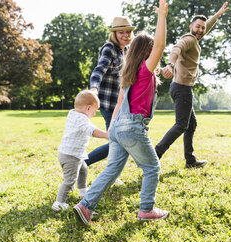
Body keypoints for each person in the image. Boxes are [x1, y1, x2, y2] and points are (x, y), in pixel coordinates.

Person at [73, 0, 169, 224]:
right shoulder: (145, 70)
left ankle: (85, 206)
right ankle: (146, 209)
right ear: (147, 51)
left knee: (112, 169)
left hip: (118, 126)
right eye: (152, 48)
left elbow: (118, 105)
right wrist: (162, 17)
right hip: (133, 126)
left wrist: (114, 129)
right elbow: (161, 46)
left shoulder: (128, 74)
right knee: (152, 167)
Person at [156, 2, 229, 169]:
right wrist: (170, 64)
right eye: (197, 27)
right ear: (191, 26)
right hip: (182, 89)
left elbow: (206, 25)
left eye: (202, 28)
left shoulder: (196, 37)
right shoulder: (188, 39)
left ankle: (190, 160)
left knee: (191, 124)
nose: (200, 30)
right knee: (181, 125)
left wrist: (216, 15)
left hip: (181, 88)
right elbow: (176, 49)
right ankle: (155, 154)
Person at [84, 16, 135, 169]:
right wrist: (94, 88)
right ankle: (82, 163)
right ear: (114, 34)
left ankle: (111, 173)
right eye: (121, 32)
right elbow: (99, 70)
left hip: (122, 104)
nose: (125, 35)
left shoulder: (126, 50)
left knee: (120, 141)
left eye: (127, 32)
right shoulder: (110, 48)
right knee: (117, 141)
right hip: (109, 103)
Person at [52, 90, 108, 211]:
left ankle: (82, 191)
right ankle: (59, 203)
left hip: (71, 154)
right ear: (88, 108)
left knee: (83, 169)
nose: (95, 113)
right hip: (71, 156)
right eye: (95, 110)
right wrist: (107, 135)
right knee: (69, 180)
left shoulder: (72, 114)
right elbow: (92, 131)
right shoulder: (82, 120)